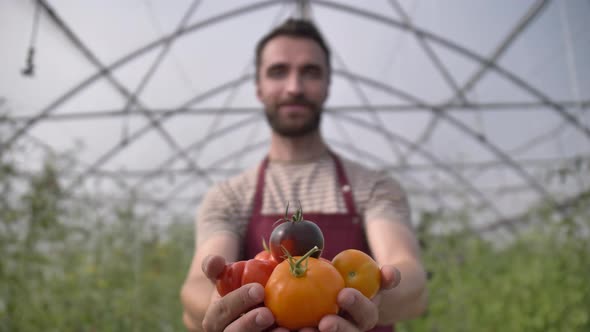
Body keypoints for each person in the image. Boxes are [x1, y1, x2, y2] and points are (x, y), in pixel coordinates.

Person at [180, 18, 428, 332]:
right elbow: (195, 290)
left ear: (327, 86)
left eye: (310, 72)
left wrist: (369, 299)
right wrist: (222, 306)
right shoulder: (230, 196)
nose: (294, 87)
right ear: (258, 87)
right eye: (278, 71)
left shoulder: (373, 186)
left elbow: (412, 281)